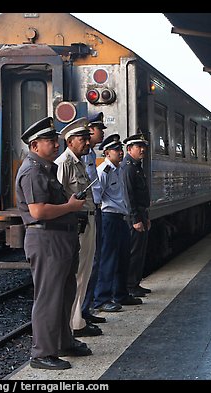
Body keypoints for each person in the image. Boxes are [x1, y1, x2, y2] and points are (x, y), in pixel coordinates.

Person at [15, 117, 91, 370]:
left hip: (59, 237)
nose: (56, 145)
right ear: (35, 145)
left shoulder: (45, 168)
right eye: (50, 141)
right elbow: (38, 211)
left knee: (65, 293)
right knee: (49, 297)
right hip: (47, 238)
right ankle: (42, 353)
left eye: (55, 140)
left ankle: (63, 341)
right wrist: (70, 206)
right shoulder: (33, 171)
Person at [54, 117, 102, 338]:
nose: (87, 142)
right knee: (77, 273)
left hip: (88, 219)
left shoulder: (79, 162)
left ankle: (77, 319)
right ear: (70, 141)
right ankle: (74, 323)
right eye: (82, 139)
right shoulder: (64, 163)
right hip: (78, 223)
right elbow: (60, 196)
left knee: (85, 271)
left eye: (86, 138)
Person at [93, 134, 143, 313]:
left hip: (120, 218)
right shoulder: (103, 171)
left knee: (123, 257)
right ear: (107, 153)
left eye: (121, 150)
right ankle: (102, 299)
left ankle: (121, 294)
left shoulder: (119, 169)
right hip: (109, 218)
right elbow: (98, 198)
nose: (120, 153)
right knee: (108, 259)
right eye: (116, 150)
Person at [80, 113, 107, 325]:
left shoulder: (89, 155)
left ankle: (86, 309)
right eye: (99, 129)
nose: (101, 132)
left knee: (93, 262)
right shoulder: (81, 157)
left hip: (94, 210)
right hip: (86, 213)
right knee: (87, 263)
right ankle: (81, 311)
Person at [122, 133, 153, 298]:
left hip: (141, 212)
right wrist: (135, 219)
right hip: (134, 216)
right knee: (134, 252)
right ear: (129, 149)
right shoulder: (128, 167)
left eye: (143, 147)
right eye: (138, 147)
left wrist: (145, 216)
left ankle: (135, 284)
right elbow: (129, 196)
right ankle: (130, 286)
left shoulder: (137, 166)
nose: (142, 150)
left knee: (140, 252)